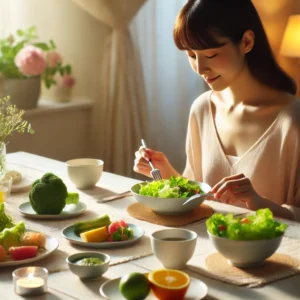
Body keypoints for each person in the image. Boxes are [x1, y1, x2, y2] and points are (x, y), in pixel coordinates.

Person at [133, 0, 300, 221]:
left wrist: (258, 204)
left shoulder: (292, 121)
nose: (200, 69)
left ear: (246, 42)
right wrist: (164, 172)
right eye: (192, 55)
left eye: (210, 55)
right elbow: (199, 196)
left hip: (272, 254)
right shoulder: (202, 109)